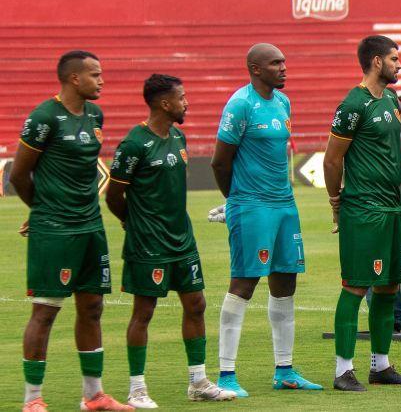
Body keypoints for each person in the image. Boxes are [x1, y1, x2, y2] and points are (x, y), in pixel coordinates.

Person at [12, 51, 132, 412]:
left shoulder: (95, 115)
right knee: (46, 311)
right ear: (73, 79)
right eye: (95, 74)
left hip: (91, 225)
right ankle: (32, 399)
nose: (102, 80)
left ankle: (94, 395)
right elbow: (18, 174)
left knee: (92, 307)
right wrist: (42, 210)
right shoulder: (44, 118)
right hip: (56, 229)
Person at [107, 74, 236, 407]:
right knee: (144, 311)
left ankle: (198, 382)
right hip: (148, 244)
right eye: (182, 97)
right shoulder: (135, 143)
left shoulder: (178, 137)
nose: (186, 102)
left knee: (196, 304)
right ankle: (136, 388)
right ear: (165, 103)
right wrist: (131, 223)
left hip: (182, 241)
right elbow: (114, 195)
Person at [210, 43, 321, 396]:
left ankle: (284, 370)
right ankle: (226, 374)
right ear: (255, 69)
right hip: (252, 205)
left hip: (284, 205)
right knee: (243, 284)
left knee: (285, 282)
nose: (284, 68)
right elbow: (219, 161)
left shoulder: (283, 102)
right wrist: (236, 202)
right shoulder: (240, 104)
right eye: (275, 63)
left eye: (284, 61)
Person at [323, 35, 401, 390]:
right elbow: (333, 158)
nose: (399, 65)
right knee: (356, 287)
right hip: (363, 209)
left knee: (389, 287)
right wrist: (336, 202)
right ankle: (343, 370)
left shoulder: (392, 99)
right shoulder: (353, 104)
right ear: (376, 62)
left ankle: (381, 366)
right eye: (394, 59)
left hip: (392, 208)